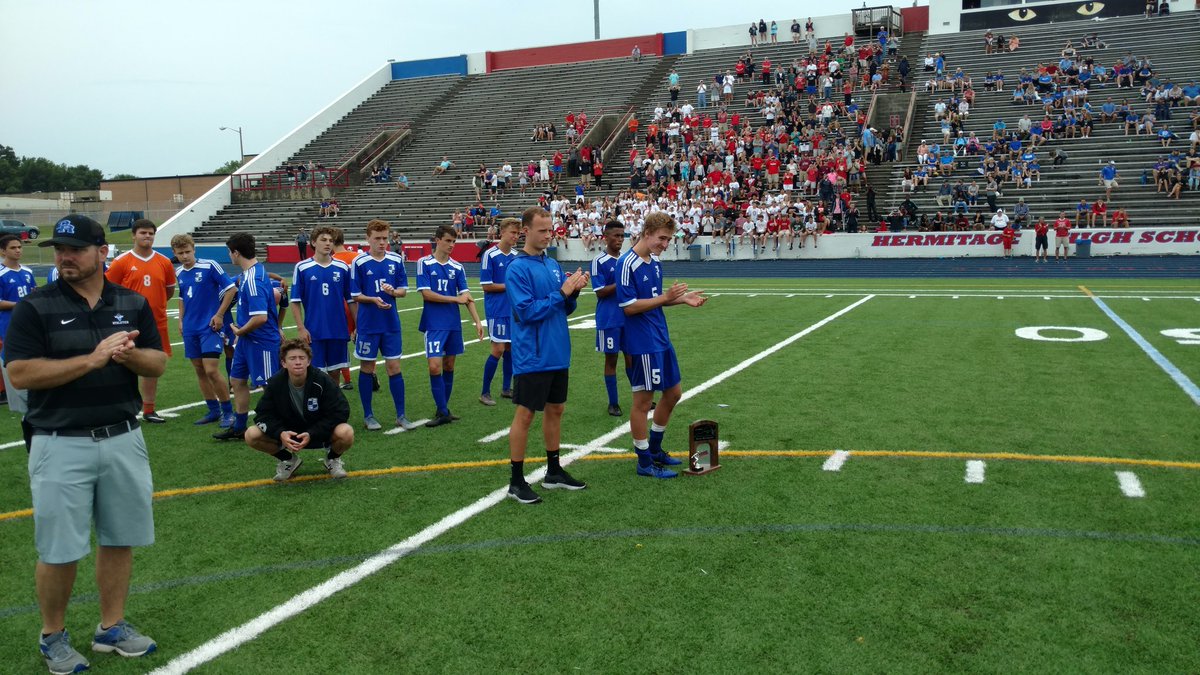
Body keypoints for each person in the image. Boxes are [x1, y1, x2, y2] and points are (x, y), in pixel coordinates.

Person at [6, 215, 165, 673]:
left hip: (122, 438)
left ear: (101, 252)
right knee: (59, 549)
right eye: (59, 249)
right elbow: (20, 373)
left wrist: (128, 355)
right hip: (60, 442)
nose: (64, 257)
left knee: (120, 538)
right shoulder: (35, 307)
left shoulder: (130, 303)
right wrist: (92, 360)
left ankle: (110, 626)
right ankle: (52, 635)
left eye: (74, 249)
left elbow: (155, 363)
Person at [503, 207, 591, 504]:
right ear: (525, 231)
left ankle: (553, 472)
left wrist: (573, 293)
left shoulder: (552, 264)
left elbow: (562, 309)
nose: (547, 234)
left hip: (557, 351)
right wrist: (562, 293)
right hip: (533, 354)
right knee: (525, 415)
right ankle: (516, 481)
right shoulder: (516, 268)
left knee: (556, 410)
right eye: (541, 230)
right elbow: (526, 312)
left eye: (549, 229)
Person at [615, 212, 707, 479]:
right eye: (662, 239)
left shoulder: (654, 262)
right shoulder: (626, 263)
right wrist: (666, 297)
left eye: (668, 240)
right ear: (647, 233)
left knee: (674, 392)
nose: (665, 245)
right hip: (642, 343)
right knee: (643, 402)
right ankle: (644, 462)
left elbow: (655, 299)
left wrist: (681, 299)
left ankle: (654, 449)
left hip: (660, 337)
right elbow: (629, 307)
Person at [244, 338, 355, 482]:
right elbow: (263, 415)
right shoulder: (275, 383)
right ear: (284, 363)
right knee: (251, 434)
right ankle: (289, 460)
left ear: (308, 361)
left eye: (302, 358)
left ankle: (332, 459)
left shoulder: (322, 380)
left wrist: (312, 432)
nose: (298, 362)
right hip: (290, 434)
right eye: (292, 358)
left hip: (319, 433)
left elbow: (341, 411)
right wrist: (280, 433)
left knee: (346, 432)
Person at [350, 219, 419, 431]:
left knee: (394, 367)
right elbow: (354, 295)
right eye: (377, 238)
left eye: (385, 238)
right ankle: (368, 415)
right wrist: (373, 299)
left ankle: (401, 415)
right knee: (367, 368)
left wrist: (392, 292)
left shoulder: (396, 260)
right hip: (368, 324)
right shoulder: (359, 262)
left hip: (391, 324)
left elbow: (403, 290)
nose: (382, 242)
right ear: (367, 238)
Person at [213, 233, 282, 441]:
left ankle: (281, 427)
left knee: (270, 386)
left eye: (229, 252)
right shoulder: (251, 273)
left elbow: (260, 317)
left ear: (236, 253)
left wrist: (240, 331)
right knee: (237, 380)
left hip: (261, 341)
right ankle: (240, 426)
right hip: (247, 340)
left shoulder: (253, 279)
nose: (230, 256)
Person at [105, 219, 175, 423]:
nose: (147, 236)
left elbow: (169, 290)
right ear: (133, 235)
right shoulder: (122, 261)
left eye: (151, 233)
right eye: (143, 233)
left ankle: (149, 409)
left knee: (151, 365)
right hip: (125, 323)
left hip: (156, 322)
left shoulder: (164, 262)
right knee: (121, 363)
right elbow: (108, 290)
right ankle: (121, 408)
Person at [417, 225, 484, 426]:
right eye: (447, 241)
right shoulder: (424, 263)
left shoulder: (457, 267)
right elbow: (426, 294)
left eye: (454, 241)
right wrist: (455, 300)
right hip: (434, 324)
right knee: (434, 366)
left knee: (449, 365)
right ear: (437, 240)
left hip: (453, 324)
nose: (451, 245)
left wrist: (477, 320)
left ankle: (442, 410)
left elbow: (467, 296)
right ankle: (443, 411)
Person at [171, 233, 236, 427]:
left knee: (211, 370)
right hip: (190, 328)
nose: (185, 256)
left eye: (188, 252)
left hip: (209, 326)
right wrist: (181, 320)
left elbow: (231, 289)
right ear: (174, 253)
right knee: (199, 370)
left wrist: (219, 315)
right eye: (180, 253)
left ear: (194, 249)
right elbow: (182, 298)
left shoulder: (209, 266)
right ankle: (213, 410)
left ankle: (228, 412)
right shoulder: (179, 272)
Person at [289, 225, 354, 403]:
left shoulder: (342, 267)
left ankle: (332, 409)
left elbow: (351, 301)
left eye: (331, 241)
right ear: (313, 242)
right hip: (314, 331)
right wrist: (301, 328)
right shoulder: (302, 267)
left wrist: (356, 326)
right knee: (315, 374)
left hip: (338, 330)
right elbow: (295, 301)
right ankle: (314, 409)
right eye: (323, 240)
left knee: (334, 373)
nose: (328, 243)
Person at [590, 220, 631, 417]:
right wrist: (621, 282)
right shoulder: (599, 261)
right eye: (616, 236)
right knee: (612, 360)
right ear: (606, 237)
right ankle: (613, 402)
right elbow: (599, 292)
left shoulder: (626, 259)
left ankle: (641, 399)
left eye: (622, 236)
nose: (620, 240)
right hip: (609, 319)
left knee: (633, 359)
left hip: (629, 318)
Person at [479, 218, 518, 406]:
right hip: (497, 310)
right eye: (512, 232)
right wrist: (509, 286)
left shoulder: (517, 256)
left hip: (513, 310)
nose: (515, 236)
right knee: (498, 349)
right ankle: (485, 392)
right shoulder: (490, 255)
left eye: (518, 233)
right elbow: (486, 286)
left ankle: (506, 388)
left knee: (510, 348)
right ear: (501, 232)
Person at [0, 234, 37, 409]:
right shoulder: (1, 274)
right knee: (12, 360)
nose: (17, 250)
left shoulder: (28, 271)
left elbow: (33, 293)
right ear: (2, 251)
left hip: (29, 325)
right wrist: (21, 305)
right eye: (13, 248)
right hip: (8, 326)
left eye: (19, 247)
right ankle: (19, 404)